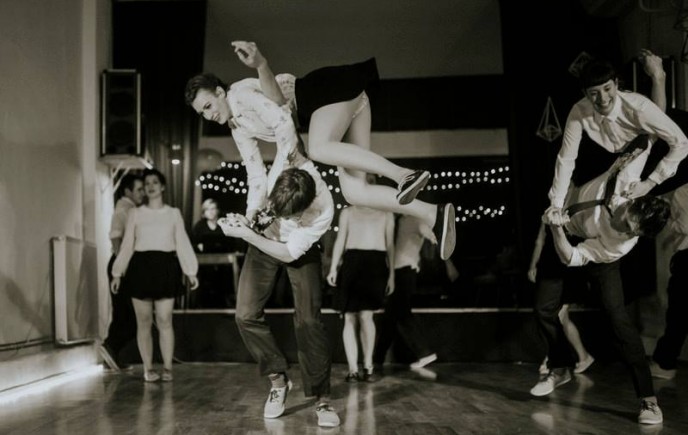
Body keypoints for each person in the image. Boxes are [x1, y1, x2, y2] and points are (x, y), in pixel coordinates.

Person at [184, 41, 456, 261]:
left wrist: (261, 64)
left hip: (324, 93)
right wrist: (251, 215)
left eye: (208, 106)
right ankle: (433, 213)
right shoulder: (237, 127)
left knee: (319, 148)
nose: (208, 116)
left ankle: (404, 175)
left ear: (220, 92)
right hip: (350, 103)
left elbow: (282, 118)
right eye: (201, 114)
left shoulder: (239, 95)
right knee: (355, 193)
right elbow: (255, 174)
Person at [532, 149, 671, 425]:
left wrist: (556, 229)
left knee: (618, 318)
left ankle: (649, 400)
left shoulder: (620, 244)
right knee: (543, 308)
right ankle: (560, 367)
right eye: (627, 222)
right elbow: (649, 137)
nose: (624, 230)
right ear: (632, 202)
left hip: (595, 254)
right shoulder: (628, 180)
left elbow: (571, 258)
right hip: (566, 232)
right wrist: (556, 227)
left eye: (632, 232)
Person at [217, 165, 341, 428]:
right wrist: (245, 221)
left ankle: (322, 400)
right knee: (245, 315)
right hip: (262, 240)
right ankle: (278, 380)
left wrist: (247, 236)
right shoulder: (279, 171)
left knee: (309, 321)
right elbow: (256, 183)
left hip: (299, 251)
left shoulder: (323, 210)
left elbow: (288, 253)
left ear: (304, 209)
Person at [545, 51, 688, 227]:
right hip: (625, 150)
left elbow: (679, 142)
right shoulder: (578, 111)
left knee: (656, 137)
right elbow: (566, 158)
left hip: (663, 144)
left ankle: (658, 75)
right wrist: (556, 205)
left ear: (616, 84)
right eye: (594, 93)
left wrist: (650, 183)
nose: (603, 99)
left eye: (607, 89)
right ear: (585, 94)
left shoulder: (638, 107)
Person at [111, 168, 199, 382]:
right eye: (147, 183)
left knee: (164, 319)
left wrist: (190, 271)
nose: (150, 186)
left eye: (154, 182)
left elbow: (182, 242)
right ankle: (148, 369)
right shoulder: (135, 213)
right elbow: (127, 244)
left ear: (162, 187)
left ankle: (168, 368)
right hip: (140, 267)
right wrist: (117, 272)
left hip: (165, 267)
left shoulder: (173, 213)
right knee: (143, 321)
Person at [327, 178, 395, 383]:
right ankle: (352, 369)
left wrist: (392, 274)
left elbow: (390, 246)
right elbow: (341, 240)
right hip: (352, 263)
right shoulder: (348, 213)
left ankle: (368, 366)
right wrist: (333, 267)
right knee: (349, 317)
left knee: (366, 317)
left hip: (375, 265)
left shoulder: (386, 214)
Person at [373, 214, 445, 374]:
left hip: (405, 272)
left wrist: (435, 239)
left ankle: (425, 352)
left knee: (401, 313)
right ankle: (377, 358)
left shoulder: (416, 220)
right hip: (396, 272)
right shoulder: (399, 220)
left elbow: (430, 234)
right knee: (391, 316)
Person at [527, 221, 595, 376]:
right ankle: (581, 356)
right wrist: (533, 265)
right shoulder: (549, 212)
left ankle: (558, 358)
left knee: (559, 316)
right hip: (550, 267)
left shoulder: (577, 214)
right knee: (559, 316)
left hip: (569, 269)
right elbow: (540, 241)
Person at [100, 173, 145, 372]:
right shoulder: (123, 210)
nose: (143, 193)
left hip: (124, 265)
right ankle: (110, 346)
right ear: (128, 191)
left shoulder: (131, 209)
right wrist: (121, 269)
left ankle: (111, 354)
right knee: (129, 314)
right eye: (139, 189)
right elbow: (116, 238)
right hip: (122, 266)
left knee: (124, 313)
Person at [649, 182, 688, 380]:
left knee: (678, 314)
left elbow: (685, 225)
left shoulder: (684, 190)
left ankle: (665, 364)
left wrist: (670, 220)